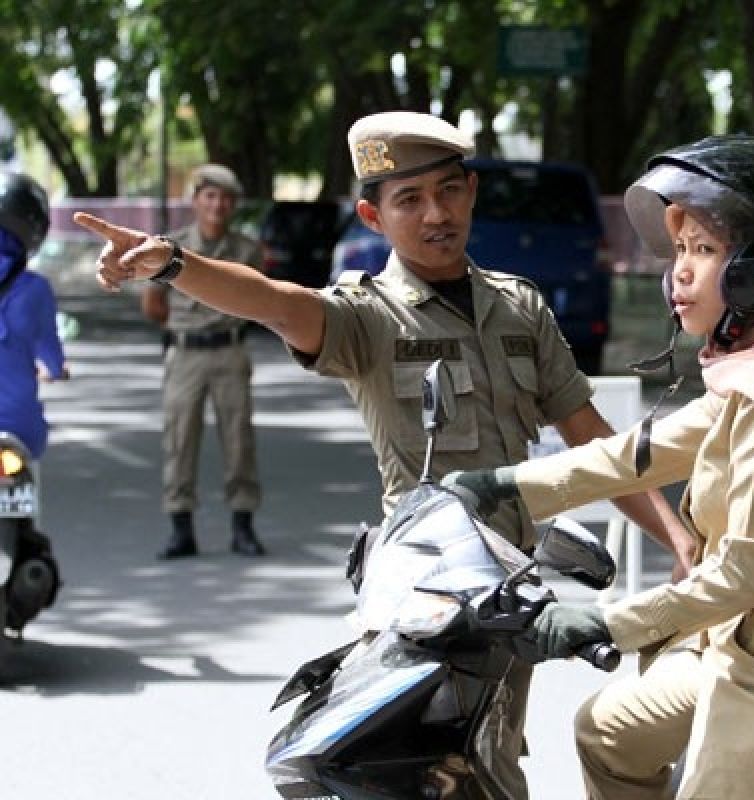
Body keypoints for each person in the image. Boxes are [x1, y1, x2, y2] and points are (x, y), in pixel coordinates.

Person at [77, 110, 694, 800]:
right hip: (422, 595)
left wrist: (675, 537)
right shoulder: (367, 317)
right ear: (373, 216)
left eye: (449, 190)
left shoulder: (520, 308)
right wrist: (174, 263)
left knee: (494, 769)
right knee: (417, 773)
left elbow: (593, 440)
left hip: (511, 599)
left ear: (470, 193)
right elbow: (274, 301)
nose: (437, 213)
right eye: (410, 200)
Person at [443, 134, 754, 800]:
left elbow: (743, 573)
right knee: (607, 730)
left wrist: (605, 623)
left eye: (704, 251)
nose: (677, 272)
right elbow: (637, 454)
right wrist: (498, 486)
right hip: (746, 652)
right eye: (679, 250)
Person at [140, 164, 266, 559]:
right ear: (195, 201)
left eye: (226, 198)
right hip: (186, 354)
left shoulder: (247, 251)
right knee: (179, 439)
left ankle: (242, 527)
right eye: (210, 196)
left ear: (234, 205)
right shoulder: (171, 247)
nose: (217, 205)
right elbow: (153, 306)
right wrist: (184, 328)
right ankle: (181, 529)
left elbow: (261, 301)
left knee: (238, 440)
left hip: (230, 350)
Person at [0, 171, 70, 484]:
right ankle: (27, 523)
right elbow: (51, 355)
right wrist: (55, 370)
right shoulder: (35, 289)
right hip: (19, 425)